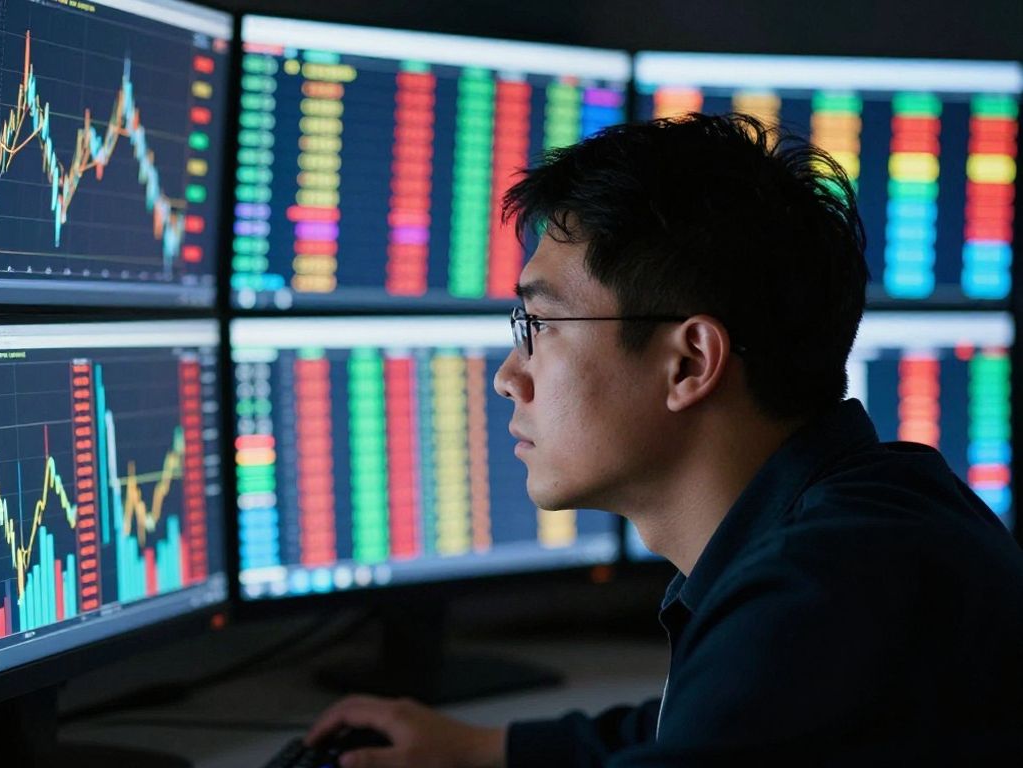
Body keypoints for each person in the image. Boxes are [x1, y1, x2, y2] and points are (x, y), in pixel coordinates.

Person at [303, 113, 1023, 766]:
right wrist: (489, 749)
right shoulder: (868, 511)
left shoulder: (824, 595)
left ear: (688, 364)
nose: (509, 377)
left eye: (542, 327)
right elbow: (706, 725)